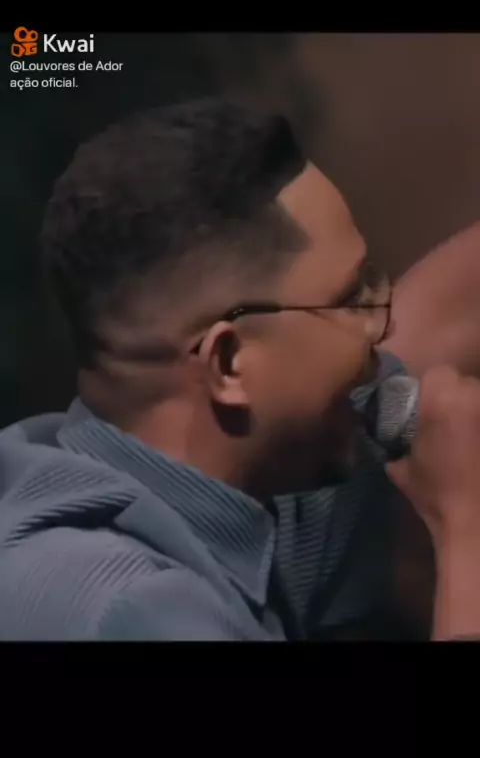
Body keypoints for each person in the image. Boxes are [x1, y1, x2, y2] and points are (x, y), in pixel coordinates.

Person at [0, 97, 478, 640]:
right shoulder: (128, 606)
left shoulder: (203, 502)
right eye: (350, 300)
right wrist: (466, 526)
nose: (379, 326)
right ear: (228, 364)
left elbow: (439, 319)